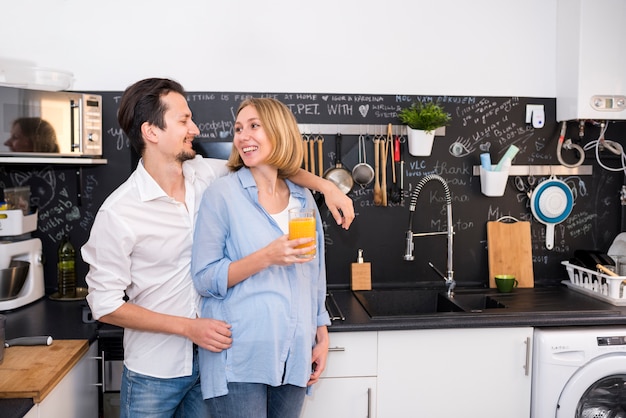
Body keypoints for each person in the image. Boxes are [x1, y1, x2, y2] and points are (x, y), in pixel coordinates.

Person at [81, 78, 353, 418]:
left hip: (217, 358)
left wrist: (325, 186)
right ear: (152, 132)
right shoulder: (119, 212)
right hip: (158, 369)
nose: (194, 128)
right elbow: (104, 304)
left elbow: (274, 164)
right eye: (183, 120)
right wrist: (188, 327)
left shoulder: (207, 174)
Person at [191, 97, 331, 418]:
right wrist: (267, 256)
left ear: (279, 132)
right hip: (240, 353)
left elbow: (315, 272)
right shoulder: (223, 194)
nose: (243, 136)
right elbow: (205, 278)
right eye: (239, 129)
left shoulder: (302, 196)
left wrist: (320, 333)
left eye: (254, 126)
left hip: (294, 351)